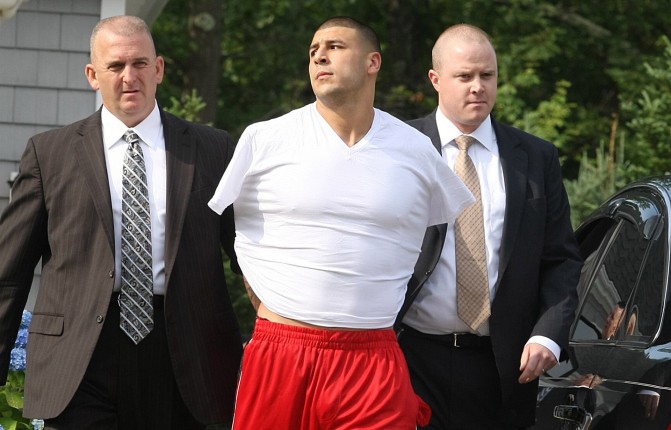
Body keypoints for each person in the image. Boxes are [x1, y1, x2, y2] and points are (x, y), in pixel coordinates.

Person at [208, 16, 475, 430]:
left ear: (372, 62)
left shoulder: (416, 150)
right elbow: (232, 233)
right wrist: (270, 304)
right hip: (282, 353)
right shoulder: (265, 139)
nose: (319, 56)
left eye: (334, 46)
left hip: (373, 358)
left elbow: (442, 240)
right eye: (313, 50)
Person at [0, 15, 243, 430]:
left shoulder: (213, 149)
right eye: (115, 66)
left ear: (158, 68)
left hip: (186, 357)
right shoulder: (49, 154)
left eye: (139, 63)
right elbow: (9, 271)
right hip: (80, 357)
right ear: (93, 76)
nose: (129, 77)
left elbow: (250, 254)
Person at [397, 23, 583, 429]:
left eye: (487, 75)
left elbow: (561, 259)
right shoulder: (397, 147)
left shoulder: (535, 157)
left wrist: (548, 335)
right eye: (464, 76)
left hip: (504, 367)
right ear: (435, 80)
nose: (478, 87)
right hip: (410, 356)